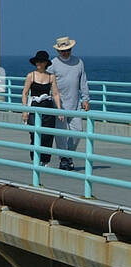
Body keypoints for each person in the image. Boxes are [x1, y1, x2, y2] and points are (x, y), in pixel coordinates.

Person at [49, 37, 90, 170]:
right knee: (60, 133)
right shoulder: (53, 64)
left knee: (78, 131)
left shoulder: (78, 62)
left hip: (75, 103)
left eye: (67, 50)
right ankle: (63, 159)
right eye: (63, 51)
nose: (65, 52)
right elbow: (47, 83)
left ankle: (68, 155)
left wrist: (86, 99)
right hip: (59, 104)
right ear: (58, 51)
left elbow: (83, 81)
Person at [21, 51, 61, 166]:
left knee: (48, 135)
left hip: (47, 106)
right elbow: (25, 93)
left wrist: (59, 110)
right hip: (34, 107)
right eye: (37, 61)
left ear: (45, 63)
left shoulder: (51, 76)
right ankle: (35, 158)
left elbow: (55, 94)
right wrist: (25, 111)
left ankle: (45, 160)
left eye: (41, 61)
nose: (38, 63)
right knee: (35, 134)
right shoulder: (31, 75)